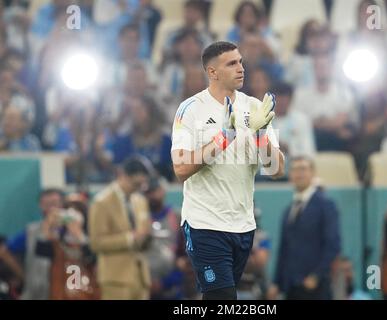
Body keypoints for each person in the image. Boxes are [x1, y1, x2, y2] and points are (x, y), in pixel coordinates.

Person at [171, 41, 285, 300]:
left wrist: (260, 135)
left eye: (241, 61)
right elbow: (181, 168)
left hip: (243, 225)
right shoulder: (190, 109)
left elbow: (276, 169)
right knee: (222, 298)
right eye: (231, 63)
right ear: (212, 72)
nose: (241, 68)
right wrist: (223, 138)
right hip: (204, 223)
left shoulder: (256, 107)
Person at [268, 156, 340, 300]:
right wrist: (276, 282)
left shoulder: (325, 205)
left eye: (303, 169)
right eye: (294, 169)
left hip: (316, 288)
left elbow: (333, 245)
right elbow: (284, 249)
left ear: (313, 173)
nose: (299, 174)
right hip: (291, 287)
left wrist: (316, 276)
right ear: (290, 175)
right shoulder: (288, 210)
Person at [89, 156, 153, 300]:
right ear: (122, 175)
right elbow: (96, 243)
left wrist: (147, 236)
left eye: (142, 184)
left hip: (141, 277)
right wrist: (130, 238)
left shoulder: (140, 200)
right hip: (115, 278)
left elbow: (143, 233)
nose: (138, 188)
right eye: (135, 183)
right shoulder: (102, 202)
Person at [7, 188, 65, 300]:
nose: (51, 208)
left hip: (66, 290)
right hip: (36, 292)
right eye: (46, 204)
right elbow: (6, 250)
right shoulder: (31, 231)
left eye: (54, 203)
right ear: (40, 205)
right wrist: (23, 275)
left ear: (62, 204)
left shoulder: (71, 230)